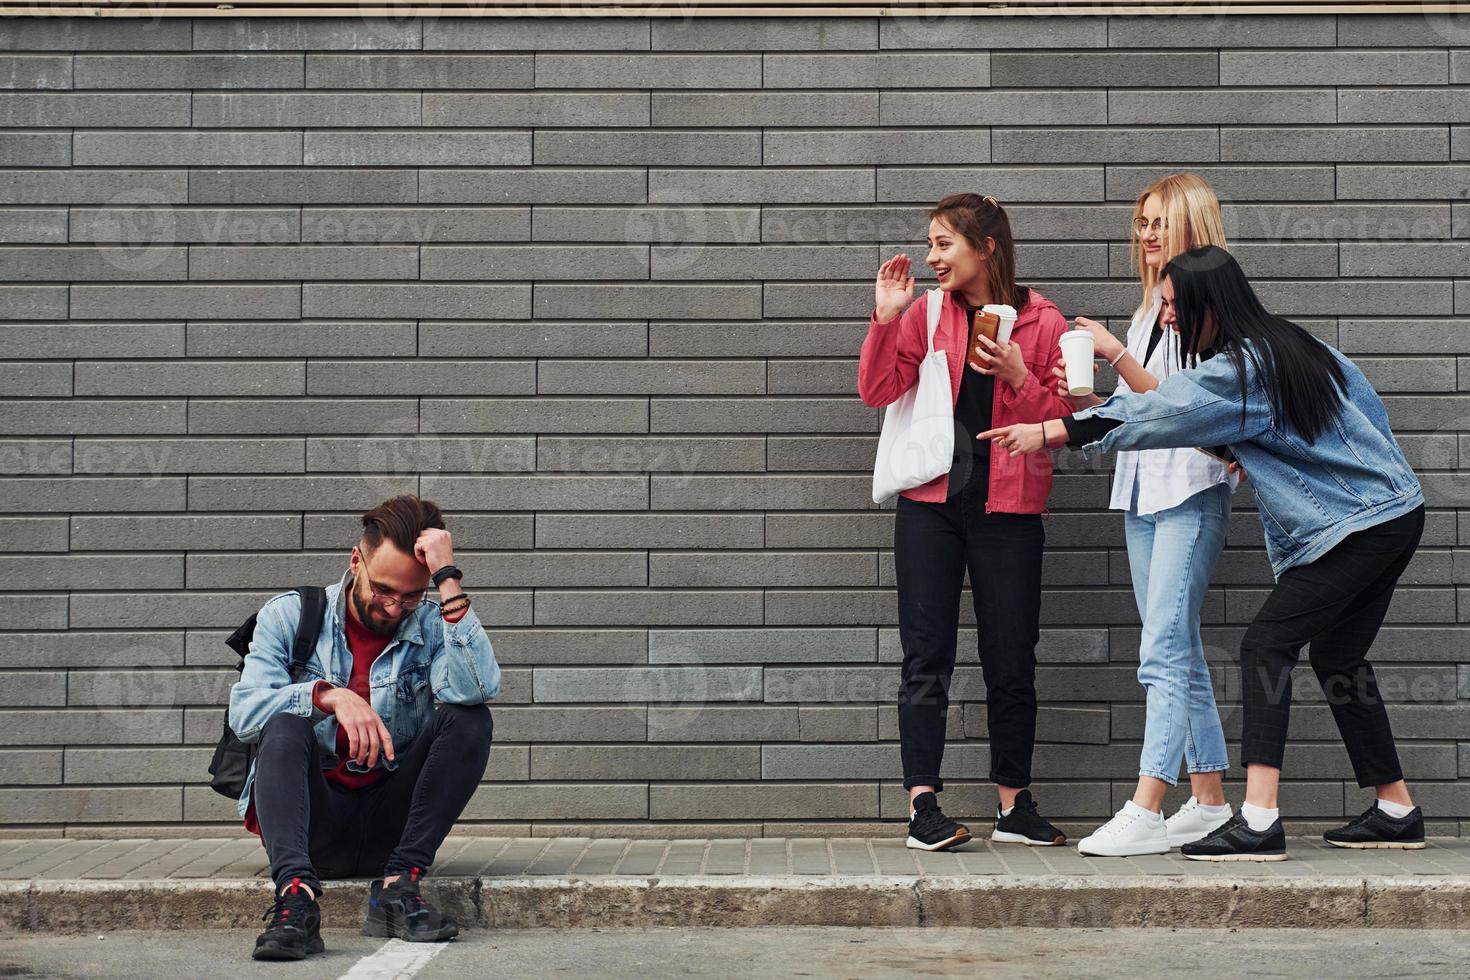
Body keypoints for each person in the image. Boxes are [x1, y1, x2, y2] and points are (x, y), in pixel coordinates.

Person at [981, 245, 1427, 861]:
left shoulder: (1238, 370)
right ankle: (1396, 807)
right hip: (1395, 511)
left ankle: (1260, 819)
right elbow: (1354, 413)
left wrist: (1050, 430)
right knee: (1338, 655)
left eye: (1171, 306)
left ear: (1206, 307)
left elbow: (1157, 411)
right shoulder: (1291, 342)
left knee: (1266, 645)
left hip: (1354, 525)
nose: (1166, 318)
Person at [858, 193, 1075, 851]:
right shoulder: (925, 313)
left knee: (1012, 660)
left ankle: (1014, 806)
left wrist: (1019, 377)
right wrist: (884, 320)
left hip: (1009, 509)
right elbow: (876, 391)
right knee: (927, 656)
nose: (931, 258)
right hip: (930, 506)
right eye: (930, 244)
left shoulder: (1043, 320)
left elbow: (1069, 422)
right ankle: (924, 805)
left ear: (986, 247)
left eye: (944, 244)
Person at [229, 494, 501, 959]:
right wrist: (327, 695)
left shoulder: (433, 624)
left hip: (392, 828)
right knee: (283, 725)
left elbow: (476, 688)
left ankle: (399, 889)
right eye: (383, 590)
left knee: (469, 718)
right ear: (356, 560)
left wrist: (448, 581)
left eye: (412, 594)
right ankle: (296, 900)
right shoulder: (290, 616)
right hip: (313, 827)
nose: (395, 607)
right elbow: (245, 713)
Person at [1059, 174, 1240, 857]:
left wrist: (1115, 355)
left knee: (1162, 650)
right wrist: (1067, 401)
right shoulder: (1147, 312)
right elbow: (1134, 413)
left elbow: (1182, 407)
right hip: (1142, 494)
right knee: (1179, 647)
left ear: (1193, 225)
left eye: (1160, 221)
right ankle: (1213, 801)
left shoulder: (1211, 309)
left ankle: (1148, 804)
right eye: (1141, 222)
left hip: (1190, 492)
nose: (1148, 234)